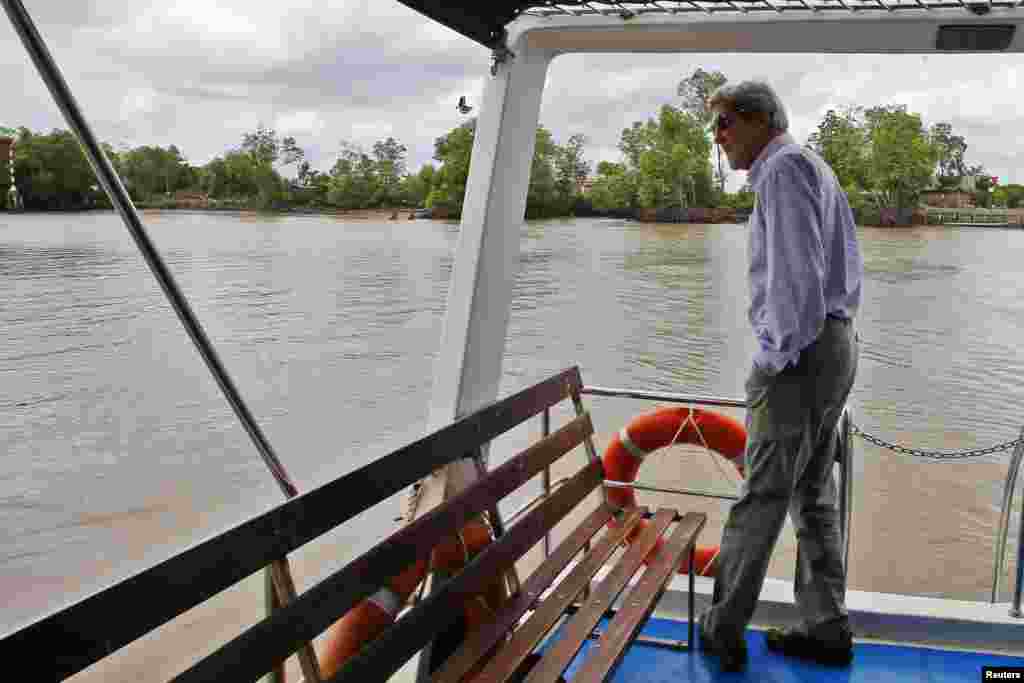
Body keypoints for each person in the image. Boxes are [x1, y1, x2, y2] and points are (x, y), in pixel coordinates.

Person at [697, 80, 864, 672]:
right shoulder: (807, 164)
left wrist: (770, 361)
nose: (717, 138)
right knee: (812, 494)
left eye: (724, 124)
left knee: (761, 495)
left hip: (800, 356)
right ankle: (827, 627)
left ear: (759, 120)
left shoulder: (782, 169)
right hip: (833, 348)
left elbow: (797, 283)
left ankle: (722, 629)